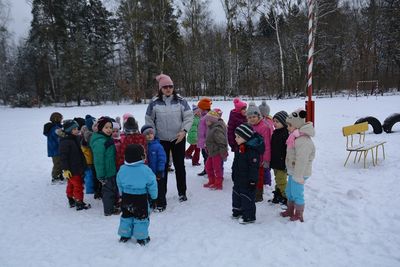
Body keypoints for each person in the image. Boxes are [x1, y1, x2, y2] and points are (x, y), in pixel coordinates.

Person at [145, 74, 193, 208]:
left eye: (170, 86)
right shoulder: (154, 103)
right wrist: (153, 135)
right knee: (162, 167)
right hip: (161, 140)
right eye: (165, 87)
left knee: (179, 165)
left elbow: (189, 117)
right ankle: (161, 194)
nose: (168, 89)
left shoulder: (181, 101)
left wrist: (184, 131)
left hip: (178, 138)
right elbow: (149, 120)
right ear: (160, 89)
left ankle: (182, 192)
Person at [117, 144, 158, 245]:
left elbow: (119, 182)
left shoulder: (122, 169)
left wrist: (121, 193)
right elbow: (152, 184)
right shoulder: (146, 170)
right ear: (141, 157)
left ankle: (124, 235)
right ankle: (141, 237)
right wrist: (154, 196)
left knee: (126, 216)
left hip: (126, 197)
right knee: (141, 218)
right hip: (140, 198)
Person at [280, 109, 315, 222]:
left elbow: (302, 160)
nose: (287, 127)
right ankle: (290, 210)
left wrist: (298, 176)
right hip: (293, 171)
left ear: (297, 125)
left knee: (296, 193)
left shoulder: (303, 140)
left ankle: (299, 214)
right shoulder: (294, 137)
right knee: (289, 191)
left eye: (290, 125)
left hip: (300, 173)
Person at [231, 123, 264, 224]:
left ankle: (249, 216)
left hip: (248, 180)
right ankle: (237, 210)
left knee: (247, 198)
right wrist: (234, 173)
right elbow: (235, 162)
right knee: (236, 194)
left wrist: (253, 181)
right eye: (235, 136)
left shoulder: (252, 152)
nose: (236, 139)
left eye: (238, 137)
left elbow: (254, 168)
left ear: (246, 137)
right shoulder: (240, 147)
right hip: (238, 178)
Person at [90, 116, 120, 216]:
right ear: (100, 128)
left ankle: (114, 205)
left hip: (111, 170)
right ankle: (108, 210)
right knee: (108, 192)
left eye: (110, 127)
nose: (109, 130)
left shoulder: (106, 139)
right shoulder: (99, 142)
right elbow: (98, 161)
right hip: (106, 173)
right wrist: (101, 175)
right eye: (106, 128)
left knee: (113, 189)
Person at [59, 120, 91, 210]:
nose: (77, 130)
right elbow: (63, 157)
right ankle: (79, 201)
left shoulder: (74, 138)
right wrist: (65, 169)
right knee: (78, 185)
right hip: (72, 169)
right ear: (69, 130)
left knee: (71, 184)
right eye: (75, 129)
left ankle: (71, 198)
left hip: (77, 166)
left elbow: (82, 142)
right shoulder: (65, 142)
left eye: (77, 128)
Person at [246, 102, 272, 202]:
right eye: (250, 117)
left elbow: (267, 145)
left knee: (259, 177)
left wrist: (266, 160)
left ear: (259, 116)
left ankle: (258, 195)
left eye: (254, 116)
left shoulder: (264, 127)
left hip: (260, 158)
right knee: (251, 175)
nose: (252, 119)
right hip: (250, 157)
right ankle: (251, 191)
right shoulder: (249, 126)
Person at [141, 124, 167, 212]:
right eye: (147, 134)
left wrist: (160, 170)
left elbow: (162, 159)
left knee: (159, 189)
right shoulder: (144, 146)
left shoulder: (158, 146)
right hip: (148, 174)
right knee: (150, 189)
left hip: (157, 173)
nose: (149, 135)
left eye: (151, 133)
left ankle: (161, 204)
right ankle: (152, 202)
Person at [203, 110, 228, 190]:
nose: (206, 122)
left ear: (212, 121)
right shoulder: (211, 128)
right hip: (211, 152)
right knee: (208, 166)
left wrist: (223, 153)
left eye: (208, 120)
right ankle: (211, 180)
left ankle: (218, 184)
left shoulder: (216, 129)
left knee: (217, 168)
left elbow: (222, 142)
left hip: (217, 153)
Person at [269, 111, 289, 205]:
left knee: (282, 181)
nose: (275, 123)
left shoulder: (286, 135)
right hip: (275, 162)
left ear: (284, 122)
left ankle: (287, 198)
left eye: (277, 121)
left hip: (282, 163)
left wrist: (286, 163)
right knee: (278, 180)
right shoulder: (275, 133)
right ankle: (278, 195)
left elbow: (288, 151)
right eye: (274, 121)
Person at [43, 112, 63, 183]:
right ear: (57, 119)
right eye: (61, 118)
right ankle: (55, 177)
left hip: (54, 148)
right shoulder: (55, 128)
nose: (62, 120)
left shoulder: (56, 127)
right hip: (55, 149)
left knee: (60, 163)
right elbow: (59, 137)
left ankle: (60, 175)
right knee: (57, 164)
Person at [196, 97, 212, 176]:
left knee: (208, 157)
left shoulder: (207, 117)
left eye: (199, 107)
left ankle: (210, 171)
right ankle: (206, 169)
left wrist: (207, 141)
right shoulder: (203, 116)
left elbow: (209, 130)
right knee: (205, 157)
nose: (198, 109)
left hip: (207, 143)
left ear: (203, 108)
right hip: (203, 142)